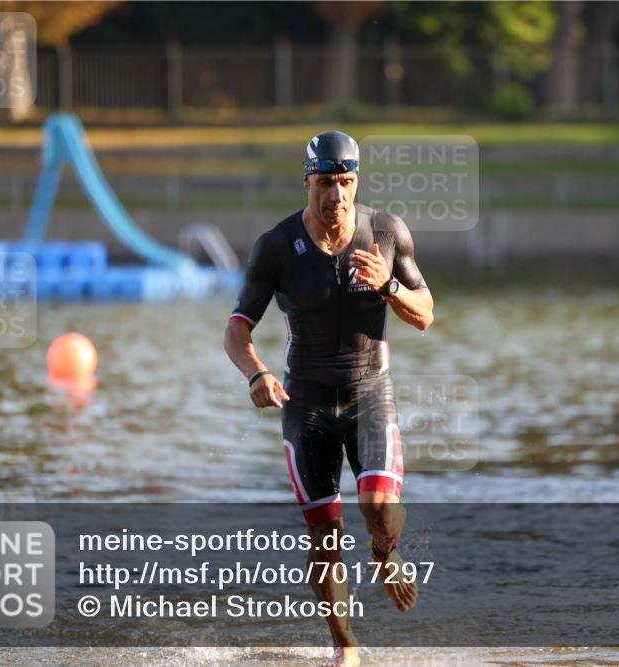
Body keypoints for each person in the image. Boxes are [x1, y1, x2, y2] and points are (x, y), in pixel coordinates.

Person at [224, 130, 434, 667]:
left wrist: (389, 286)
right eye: (324, 184)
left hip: (371, 393)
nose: (335, 196)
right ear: (307, 183)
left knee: (379, 509)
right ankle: (346, 646)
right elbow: (236, 331)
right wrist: (256, 375)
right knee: (325, 533)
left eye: (345, 183)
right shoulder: (275, 246)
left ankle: (384, 552)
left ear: (355, 181)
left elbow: (426, 313)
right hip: (306, 401)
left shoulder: (386, 232)